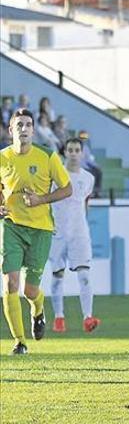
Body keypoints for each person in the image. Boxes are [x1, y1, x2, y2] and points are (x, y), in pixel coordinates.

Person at [0, 109, 73, 355]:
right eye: (19, 124)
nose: (24, 128)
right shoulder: (2, 158)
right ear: (11, 130)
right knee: (10, 283)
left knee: (30, 290)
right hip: (11, 226)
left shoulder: (48, 156)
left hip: (40, 230)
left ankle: (38, 309)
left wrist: (41, 199)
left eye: (28, 124)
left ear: (33, 130)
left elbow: (67, 189)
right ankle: (20, 342)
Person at [49, 138, 100, 333]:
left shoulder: (88, 178)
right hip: (58, 231)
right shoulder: (56, 174)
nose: (73, 153)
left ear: (82, 153)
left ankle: (88, 317)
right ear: (65, 152)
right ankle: (59, 317)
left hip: (79, 232)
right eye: (70, 150)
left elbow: (84, 203)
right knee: (57, 276)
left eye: (77, 150)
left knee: (85, 275)